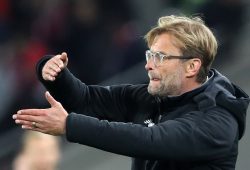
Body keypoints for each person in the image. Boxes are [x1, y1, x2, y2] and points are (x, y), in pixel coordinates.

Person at [13, 15, 249, 170]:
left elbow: (150, 140)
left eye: (159, 57)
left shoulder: (218, 122)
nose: (148, 64)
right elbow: (86, 99)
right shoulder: (152, 96)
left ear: (192, 66)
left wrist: (69, 126)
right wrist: (54, 72)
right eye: (149, 55)